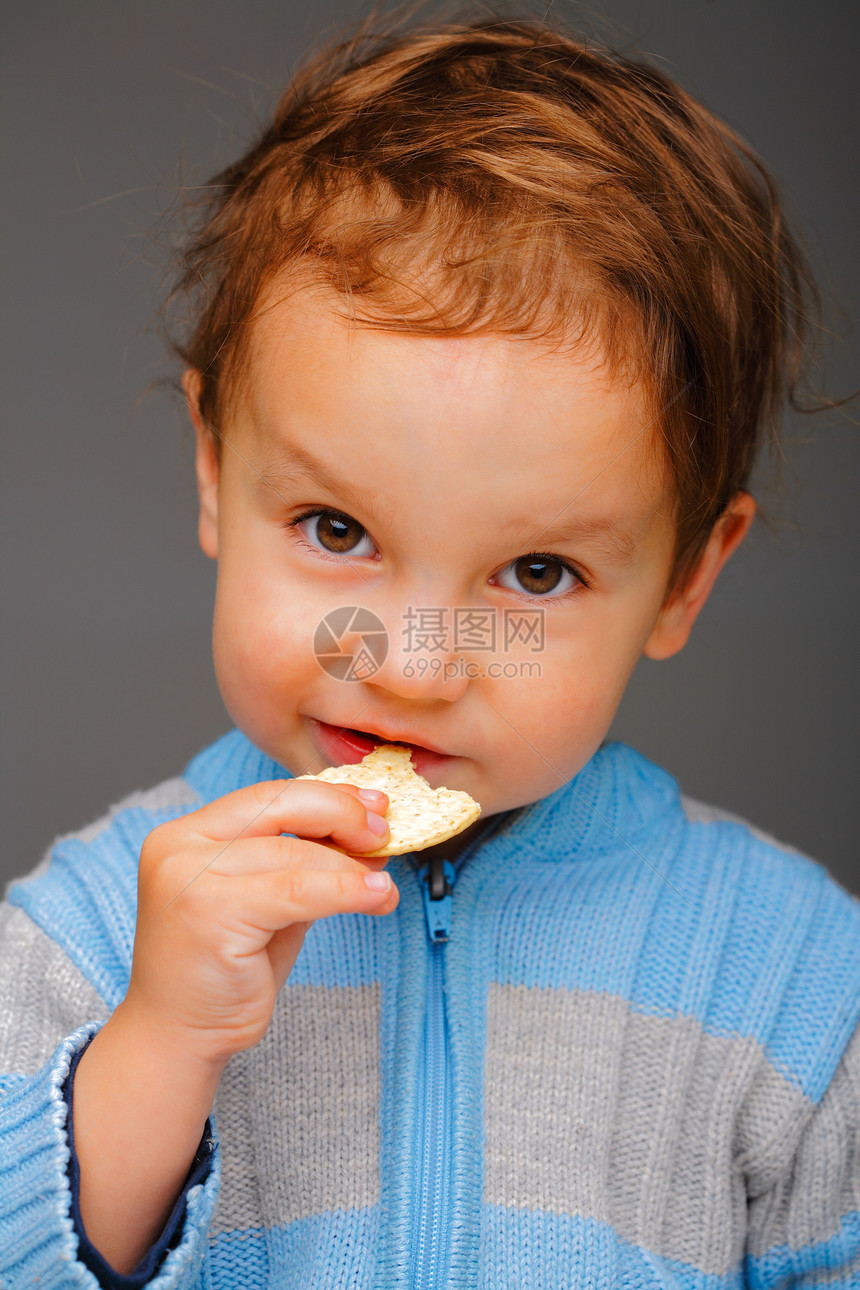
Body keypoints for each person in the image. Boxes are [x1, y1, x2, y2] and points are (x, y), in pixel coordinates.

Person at [1, 10, 857, 1287]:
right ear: (214, 470)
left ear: (683, 579)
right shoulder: (84, 931)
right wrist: (157, 1048)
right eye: (336, 528)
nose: (406, 664)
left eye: (533, 573)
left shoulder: (797, 977)